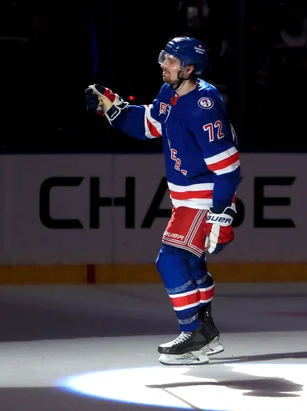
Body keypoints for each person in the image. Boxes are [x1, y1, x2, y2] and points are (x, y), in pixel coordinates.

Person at [85, 36, 241, 365]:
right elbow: (150, 125)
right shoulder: (168, 93)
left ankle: (193, 334)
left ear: (189, 69)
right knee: (192, 264)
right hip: (186, 198)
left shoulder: (204, 105)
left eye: (171, 61)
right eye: (164, 58)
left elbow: (227, 167)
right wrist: (115, 109)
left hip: (203, 198)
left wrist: (221, 213)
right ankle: (206, 333)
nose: (163, 65)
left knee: (169, 261)